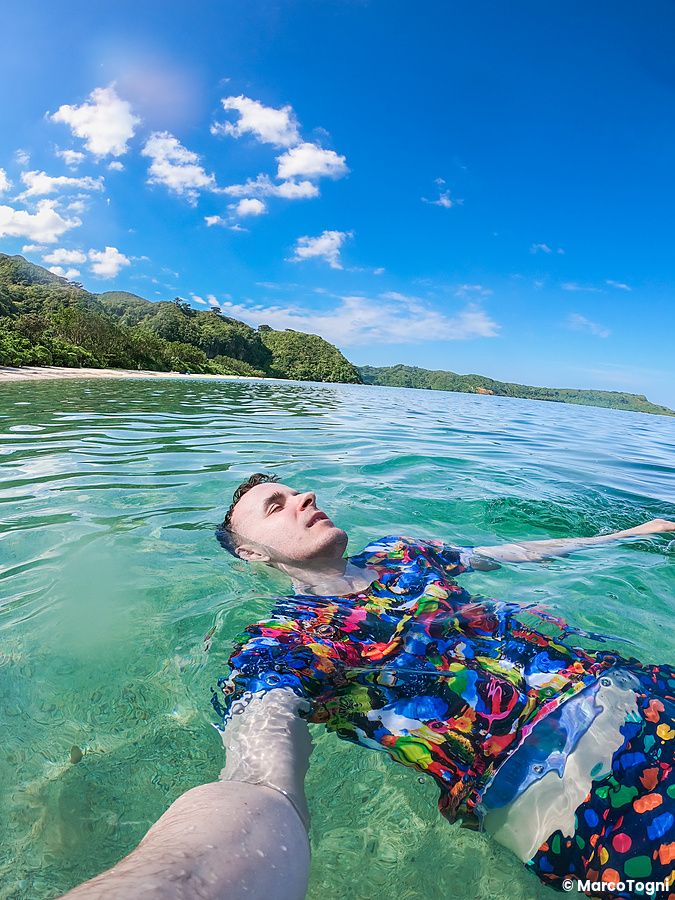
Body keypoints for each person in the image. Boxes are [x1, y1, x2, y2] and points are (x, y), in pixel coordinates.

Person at [63, 473, 675, 900]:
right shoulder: (281, 649)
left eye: (296, 490)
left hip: (642, 692)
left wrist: (628, 536)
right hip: (579, 794)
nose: (301, 497)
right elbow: (259, 786)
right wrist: (176, 885)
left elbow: (510, 553)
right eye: (274, 506)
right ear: (250, 555)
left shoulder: (406, 554)